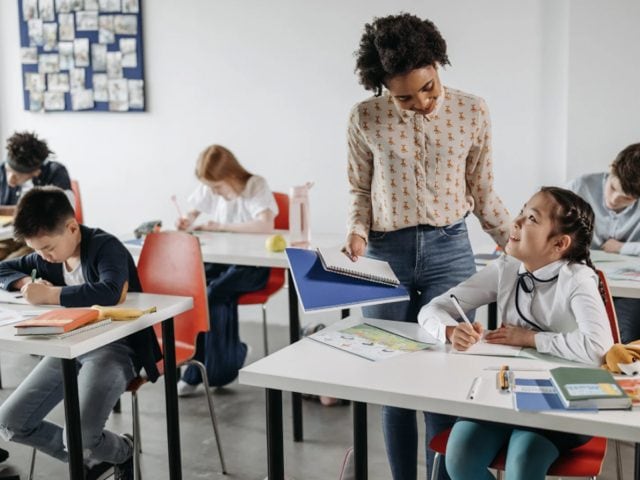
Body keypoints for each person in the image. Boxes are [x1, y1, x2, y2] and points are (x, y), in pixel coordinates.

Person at [344, 13, 511, 480]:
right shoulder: (365, 117)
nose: (420, 102)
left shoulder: (472, 111)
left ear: (438, 66)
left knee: (444, 376)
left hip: (450, 250)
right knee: (394, 380)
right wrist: (357, 229)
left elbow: (483, 190)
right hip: (384, 255)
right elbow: (359, 189)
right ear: (382, 87)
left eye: (429, 88)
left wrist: (516, 244)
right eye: (404, 96)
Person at [418, 187, 614, 480]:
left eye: (532, 219)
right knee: (459, 458)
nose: (517, 222)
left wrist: (530, 338)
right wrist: (448, 330)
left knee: (522, 464)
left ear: (559, 243)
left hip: (562, 403)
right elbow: (432, 309)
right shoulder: (507, 268)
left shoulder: (577, 279)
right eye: (522, 212)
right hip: (505, 394)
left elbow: (599, 347)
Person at [0, 186, 162, 480]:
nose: (44, 257)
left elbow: (110, 291)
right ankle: (90, 458)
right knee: (10, 422)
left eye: (48, 248)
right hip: (67, 348)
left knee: (82, 438)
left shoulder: (105, 247)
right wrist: (25, 283)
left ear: (72, 228)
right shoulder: (44, 258)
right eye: (37, 250)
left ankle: (122, 452)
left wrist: (50, 296)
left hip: (115, 348)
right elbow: (3, 270)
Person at [175, 144, 277, 396]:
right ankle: (226, 357)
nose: (214, 192)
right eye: (210, 187)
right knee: (195, 290)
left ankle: (205, 370)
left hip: (254, 266)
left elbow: (266, 224)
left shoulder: (256, 185)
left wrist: (222, 227)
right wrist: (187, 220)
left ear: (231, 174)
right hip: (222, 261)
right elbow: (193, 211)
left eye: (217, 187)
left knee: (215, 293)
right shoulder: (212, 186)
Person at [567, 142, 640, 343]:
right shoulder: (580, 187)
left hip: (629, 291)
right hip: (582, 280)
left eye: (626, 198)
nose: (615, 199)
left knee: (624, 335)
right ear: (612, 168)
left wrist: (623, 248)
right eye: (613, 188)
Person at [0, 131, 74, 260]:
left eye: (17, 176)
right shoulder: (1, 170)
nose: (10, 180)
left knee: (9, 264)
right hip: (8, 235)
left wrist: (5, 210)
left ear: (35, 172)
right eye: (8, 170)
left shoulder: (56, 173)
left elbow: (63, 213)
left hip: (40, 238)